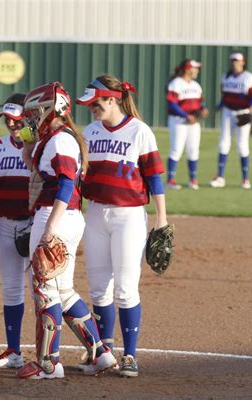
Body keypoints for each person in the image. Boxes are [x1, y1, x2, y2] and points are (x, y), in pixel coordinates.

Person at [16, 82, 116, 380]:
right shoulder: (55, 139)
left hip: (56, 215)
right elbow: (35, 167)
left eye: (36, 113)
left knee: (44, 289)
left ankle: (49, 363)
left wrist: (49, 228)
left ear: (51, 110)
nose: (32, 119)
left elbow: (65, 185)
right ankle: (100, 353)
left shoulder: (60, 141)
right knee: (63, 290)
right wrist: (29, 142)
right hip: (65, 217)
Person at [75, 75, 168, 377]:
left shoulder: (139, 131)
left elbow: (153, 176)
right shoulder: (89, 132)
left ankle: (129, 355)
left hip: (128, 216)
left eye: (96, 103)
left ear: (113, 100)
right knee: (99, 289)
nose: (92, 108)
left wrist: (161, 217)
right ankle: (104, 353)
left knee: (126, 290)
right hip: (96, 214)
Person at [0, 93, 30, 369]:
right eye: (8, 119)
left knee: (45, 292)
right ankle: (14, 351)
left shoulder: (38, 146)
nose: (13, 125)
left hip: (35, 224)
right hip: (4, 224)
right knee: (12, 289)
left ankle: (51, 350)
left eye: (17, 119)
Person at [211, 52, 252, 189]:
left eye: (237, 60)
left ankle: (245, 179)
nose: (235, 63)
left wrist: (250, 112)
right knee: (223, 143)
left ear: (243, 62)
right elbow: (224, 96)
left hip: (242, 112)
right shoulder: (225, 76)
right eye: (233, 60)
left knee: (242, 145)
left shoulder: (248, 78)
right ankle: (220, 177)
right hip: (227, 112)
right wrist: (218, 107)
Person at [165, 59, 208, 190]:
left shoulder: (196, 85)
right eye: (195, 68)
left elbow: (200, 102)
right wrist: (186, 115)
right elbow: (171, 104)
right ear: (188, 69)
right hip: (179, 121)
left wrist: (203, 109)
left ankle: (193, 180)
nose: (197, 71)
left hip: (194, 122)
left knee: (193, 150)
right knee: (176, 149)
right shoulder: (176, 84)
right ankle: (170, 180)